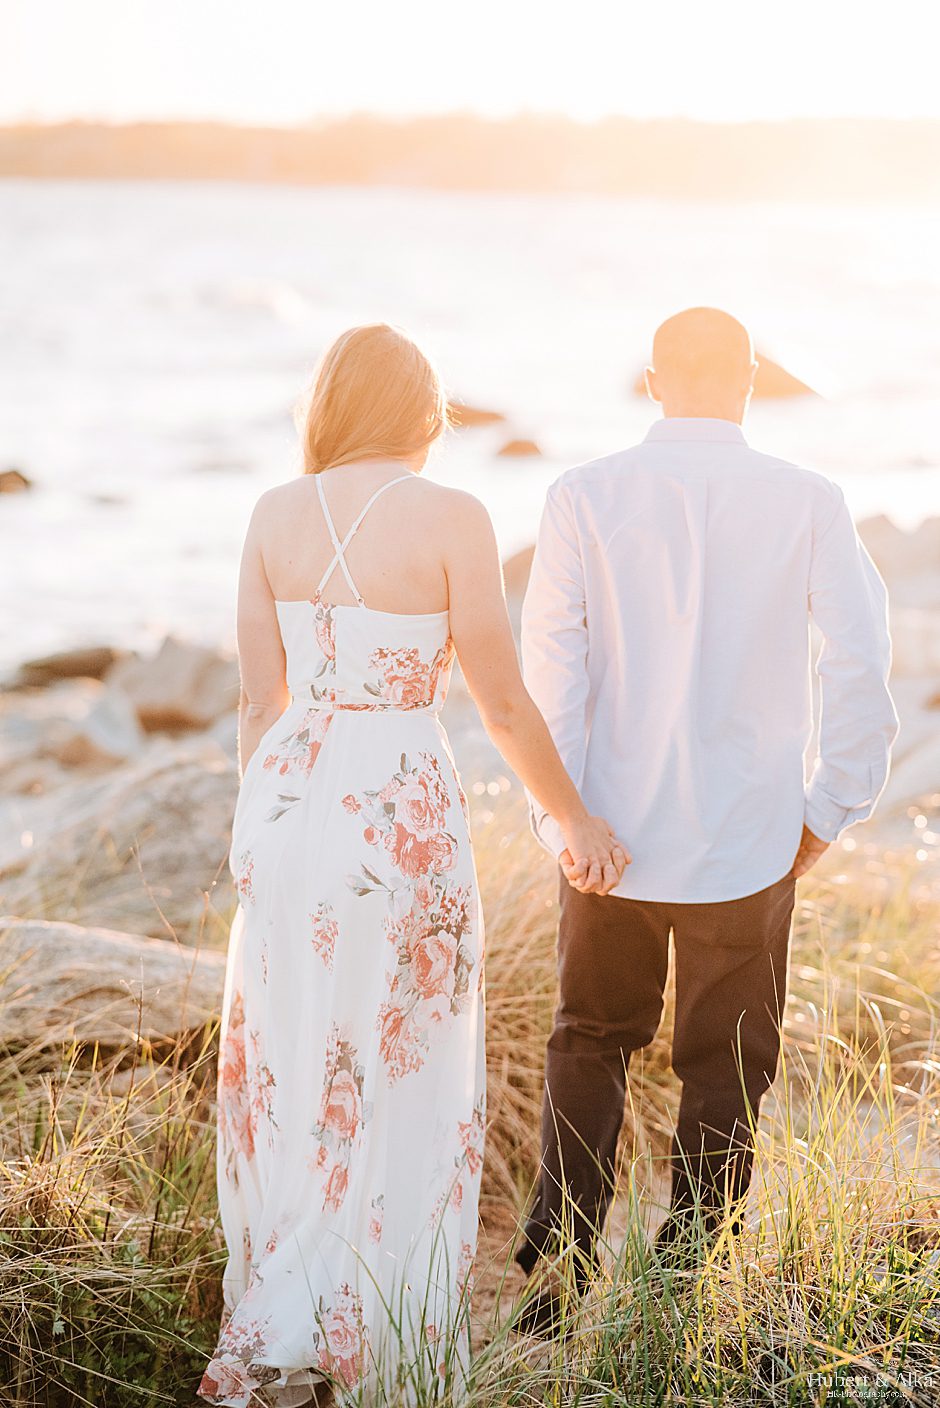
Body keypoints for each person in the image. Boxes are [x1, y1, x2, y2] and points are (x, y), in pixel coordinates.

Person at [197, 323, 627, 1406]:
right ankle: (363, 1340)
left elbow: (259, 701)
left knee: (293, 1062)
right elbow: (500, 700)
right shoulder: (452, 516)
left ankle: (283, 1319)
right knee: (400, 1067)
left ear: (330, 406)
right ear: (422, 413)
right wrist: (573, 818)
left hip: (287, 808)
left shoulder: (271, 514)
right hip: (396, 811)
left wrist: (263, 828)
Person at [516, 306, 899, 1311]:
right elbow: (861, 662)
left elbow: (547, 678)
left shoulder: (580, 496)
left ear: (650, 383)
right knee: (727, 1063)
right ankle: (687, 1285)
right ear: (749, 379)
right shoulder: (808, 500)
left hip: (606, 837)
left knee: (590, 1039)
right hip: (748, 836)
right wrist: (826, 811)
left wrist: (561, 823)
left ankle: (557, 1272)